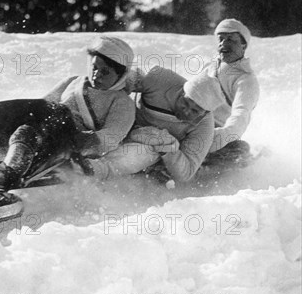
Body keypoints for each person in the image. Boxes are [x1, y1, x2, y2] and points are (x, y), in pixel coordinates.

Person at [0, 36, 136, 191]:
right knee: (30, 118)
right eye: (95, 68)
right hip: (43, 132)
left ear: (120, 75)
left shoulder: (122, 102)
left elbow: (111, 137)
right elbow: (39, 107)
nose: (96, 75)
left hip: (69, 143)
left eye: (105, 72)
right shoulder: (73, 81)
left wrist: (78, 142)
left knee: (59, 111)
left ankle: (12, 171)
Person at [85, 67, 226, 184]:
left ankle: (92, 169)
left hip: (148, 150)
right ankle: (74, 147)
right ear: (182, 91)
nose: (187, 111)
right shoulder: (161, 80)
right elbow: (122, 80)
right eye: (185, 103)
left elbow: (186, 173)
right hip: (124, 123)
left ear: (204, 113)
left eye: (195, 111)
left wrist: (167, 146)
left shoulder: (204, 126)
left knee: (146, 151)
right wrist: (130, 80)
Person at [203, 19, 259, 163]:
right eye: (221, 39)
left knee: (240, 149)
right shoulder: (211, 66)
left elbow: (241, 114)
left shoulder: (246, 80)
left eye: (231, 40)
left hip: (213, 132)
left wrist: (222, 136)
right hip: (189, 122)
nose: (223, 44)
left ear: (243, 45)